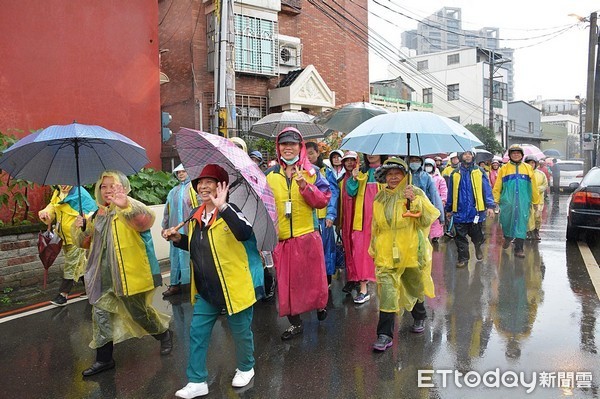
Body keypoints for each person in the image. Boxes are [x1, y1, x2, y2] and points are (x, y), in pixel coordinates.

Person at [164, 164, 264, 398]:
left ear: (222, 187)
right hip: (206, 290)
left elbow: (244, 233)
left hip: (233, 287)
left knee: (240, 332)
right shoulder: (196, 216)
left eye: (210, 182)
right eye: (200, 182)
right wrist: (179, 239)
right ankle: (197, 380)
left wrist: (224, 207)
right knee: (197, 333)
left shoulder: (232, 211)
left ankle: (246, 367)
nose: (203, 186)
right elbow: (199, 247)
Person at [72, 170, 172, 377]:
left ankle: (163, 333)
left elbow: (146, 221)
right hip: (102, 276)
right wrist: (81, 228)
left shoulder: (131, 209)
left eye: (113, 185)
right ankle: (104, 359)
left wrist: (125, 204)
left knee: (138, 313)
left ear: (124, 187)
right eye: (103, 186)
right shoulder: (97, 214)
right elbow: (84, 244)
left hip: (128, 276)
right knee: (100, 316)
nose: (107, 190)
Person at [265, 127, 331, 340]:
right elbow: (265, 204)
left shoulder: (312, 172)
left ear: (300, 146)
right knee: (287, 286)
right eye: (284, 144)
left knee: (314, 279)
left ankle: (320, 305)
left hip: (308, 236)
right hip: (282, 240)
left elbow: (323, 200)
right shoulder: (270, 175)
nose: (288, 148)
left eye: (292, 144)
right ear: (278, 147)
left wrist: (305, 186)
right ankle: (296, 323)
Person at [369, 158, 439, 351]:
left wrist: (415, 201)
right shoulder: (379, 197)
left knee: (413, 284)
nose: (393, 178)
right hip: (386, 252)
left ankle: (419, 316)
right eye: (389, 174)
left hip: (410, 249)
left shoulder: (414, 192)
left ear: (404, 175)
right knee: (388, 292)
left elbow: (427, 220)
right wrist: (373, 246)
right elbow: (376, 225)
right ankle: (384, 334)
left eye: (397, 174)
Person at [39, 185, 97, 306]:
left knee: (71, 264)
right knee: (79, 264)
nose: (63, 184)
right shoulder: (58, 192)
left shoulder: (82, 195)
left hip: (77, 238)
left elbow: (92, 214)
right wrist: (46, 214)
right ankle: (91, 289)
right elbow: (52, 207)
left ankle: (63, 294)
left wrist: (84, 221)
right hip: (63, 237)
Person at [346, 154, 387, 304]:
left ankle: (386, 288)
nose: (371, 155)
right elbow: (351, 192)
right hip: (363, 219)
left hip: (383, 220)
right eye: (368, 152)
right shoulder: (362, 172)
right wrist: (354, 178)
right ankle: (363, 289)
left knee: (384, 251)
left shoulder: (389, 171)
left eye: (374, 151)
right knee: (362, 252)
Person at [445, 150, 496, 268]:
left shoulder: (480, 171)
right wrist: (448, 209)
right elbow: (450, 193)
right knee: (460, 237)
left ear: (473, 156)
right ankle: (463, 258)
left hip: (476, 211)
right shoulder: (455, 174)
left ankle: (478, 247)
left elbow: (486, 190)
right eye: (464, 154)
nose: (467, 156)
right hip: (459, 212)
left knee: (477, 235)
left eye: (469, 154)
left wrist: (490, 206)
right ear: (460, 156)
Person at [493, 145, 540, 258]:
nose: (516, 155)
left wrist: (535, 202)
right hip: (507, 202)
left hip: (523, 201)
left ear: (522, 155)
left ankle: (519, 248)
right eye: (513, 153)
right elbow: (497, 186)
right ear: (509, 155)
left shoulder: (528, 168)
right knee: (506, 221)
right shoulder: (504, 169)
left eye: (518, 153)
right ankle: (508, 238)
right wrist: (496, 200)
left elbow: (533, 186)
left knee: (522, 224)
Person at [306, 141, 340, 286]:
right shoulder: (302, 172)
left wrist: (330, 215)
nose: (308, 157)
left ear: (318, 153)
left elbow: (333, 194)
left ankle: (327, 279)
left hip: (324, 217)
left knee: (326, 249)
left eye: (311, 153)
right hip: (308, 219)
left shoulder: (326, 172)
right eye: (305, 154)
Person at [161, 164, 194, 297]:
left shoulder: (194, 189)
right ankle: (175, 284)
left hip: (189, 230)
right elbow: (167, 211)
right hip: (175, 230)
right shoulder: (173, 191)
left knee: (191, 256)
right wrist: (164, 227)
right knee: (175, 257)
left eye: (183, 171)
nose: (180, 174)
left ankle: (191, 284)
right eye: (178, 172)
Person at [406, 156, 445, 237]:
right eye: (412, 160)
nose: (414, 162)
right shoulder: (404, 176)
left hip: (422, 212)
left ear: (421, 162)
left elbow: (435, 196)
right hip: (405, 212)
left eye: (417, 160)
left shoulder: (426, 177)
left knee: (421, 238)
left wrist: (441, 215)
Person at [338, 151, 359, 294]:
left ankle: (359, 278)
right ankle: (352, 279)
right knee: (348, 249)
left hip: (358, 219)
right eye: (347, 160)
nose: (350, 163)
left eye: (352, 160)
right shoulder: (342, 179)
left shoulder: (361, 177)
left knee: (357, 249)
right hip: (346, 220)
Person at [423, 158, 447, 242]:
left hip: (435, 203)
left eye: (430, 166)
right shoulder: (422, 177)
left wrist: (443, 201)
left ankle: (435, 238)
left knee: (436, 222)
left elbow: (444, 191)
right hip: (424, 203)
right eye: (426, 166)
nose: (428, 167)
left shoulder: (439, 179)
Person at [525, 155, 548, 241]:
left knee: (537, 217)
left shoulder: (541, 174)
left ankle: (536, 231)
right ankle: (528, 233)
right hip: (527, 200)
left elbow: (545, 185)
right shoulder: (523, 174)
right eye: (528, 163)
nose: (531, 164)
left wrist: (536, 190)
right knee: (528, 218)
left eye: (532, 163)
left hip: (539, 201)